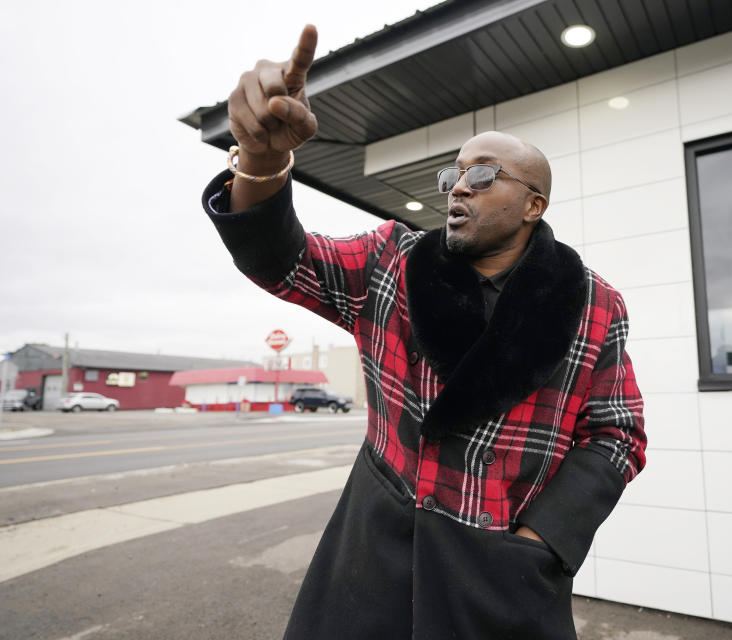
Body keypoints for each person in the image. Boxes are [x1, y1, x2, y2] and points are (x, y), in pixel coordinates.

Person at [202, 24, 646, 640]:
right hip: (371, 559)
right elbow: (285, 262)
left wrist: (541, 541)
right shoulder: (392, 260)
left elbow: (616, 434)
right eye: (453, 175)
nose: (459, 186)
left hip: (501, 576)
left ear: (533, 205)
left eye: (484, 175)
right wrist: (263, 159)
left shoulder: (596, 303)